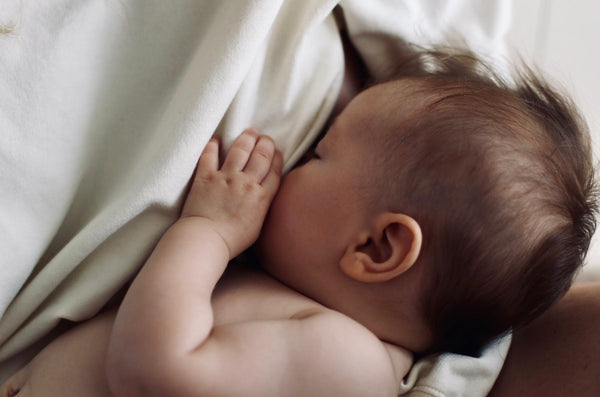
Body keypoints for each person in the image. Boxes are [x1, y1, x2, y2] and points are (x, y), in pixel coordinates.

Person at [1, 48, 596, 397]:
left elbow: (152, 369)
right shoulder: (309, 313)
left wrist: (208, 232)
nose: (299, 157)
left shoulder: (349, 363)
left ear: (377, 247)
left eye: (320, 155)